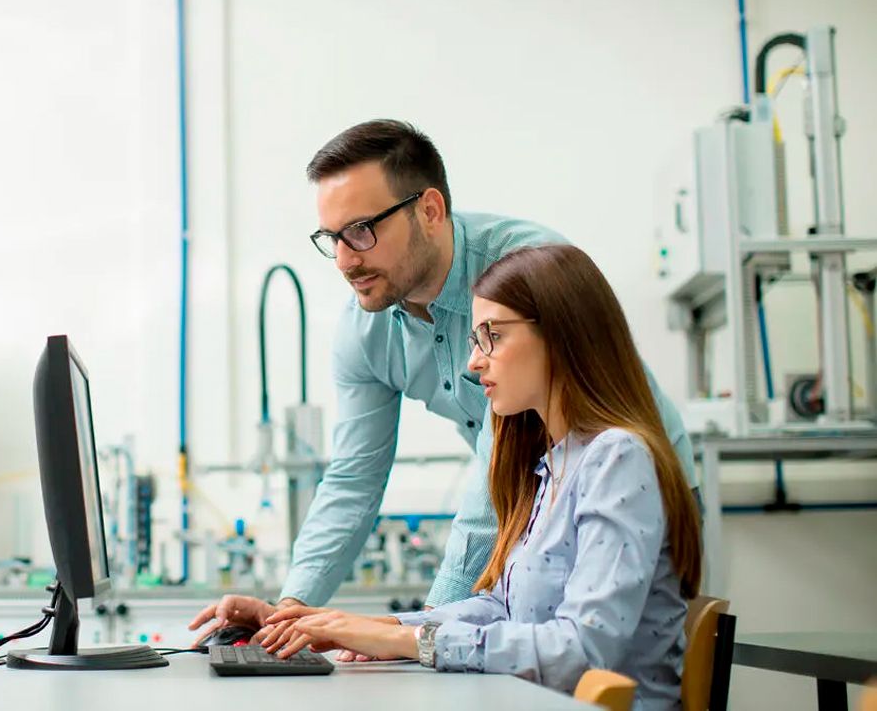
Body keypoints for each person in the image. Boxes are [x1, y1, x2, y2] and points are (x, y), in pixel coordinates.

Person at [189, 120, 698, 650]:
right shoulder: (366, 326)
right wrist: (290, 612)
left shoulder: (526, 274)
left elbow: (497, 472)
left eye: (362, 230)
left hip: (638, 494)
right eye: (332, 238)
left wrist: (422, 636)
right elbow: (353, 479)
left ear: (429, 210)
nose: (344, 259)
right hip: (537, 508)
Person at [256, 245, 702, 707]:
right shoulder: (554, 464)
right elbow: (502, 608)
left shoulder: (617, 458)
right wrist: (377, 628)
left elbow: (581, 650)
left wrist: (411, 644)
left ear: (563, 335)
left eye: (493, 336)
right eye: (474, 339)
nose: (474, 361)